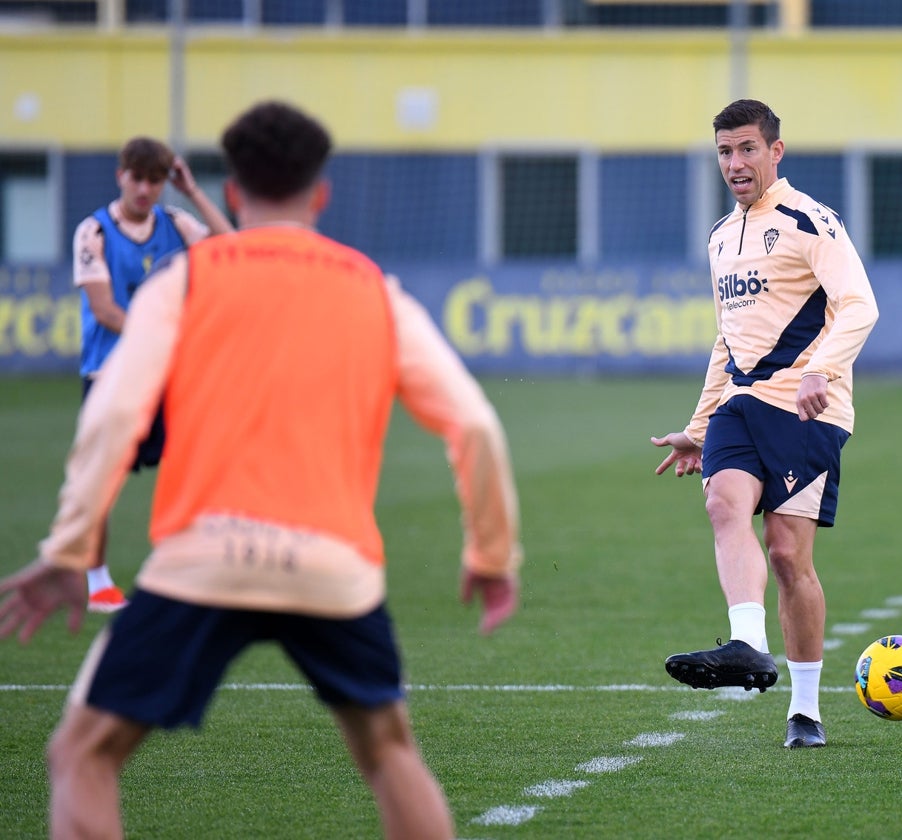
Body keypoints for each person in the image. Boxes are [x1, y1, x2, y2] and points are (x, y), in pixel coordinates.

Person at [0, 100, 522, 839]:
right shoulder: (374, 288)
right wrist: (491, 557)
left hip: (202, 559)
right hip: (331, 567)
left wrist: (69, 551)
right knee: (388, 752)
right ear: (321, 193)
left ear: (235, 192)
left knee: (83, 752)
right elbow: (473, 425)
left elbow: (112, 419)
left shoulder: (182, 284)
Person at [651, 99, 878, 749]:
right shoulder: (721, 237)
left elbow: (859, 307)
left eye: (747, 149)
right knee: (724, 504)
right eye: (725, 151)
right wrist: (697, 427)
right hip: (740, 406)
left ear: (776, 151)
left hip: (809, 409)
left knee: (787, 555)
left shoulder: (811, 221)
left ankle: (804, 710)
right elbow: (727, 342)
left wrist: (823, 370)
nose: (735, 163)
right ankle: (748, 645)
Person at [74, 135, 233, 612]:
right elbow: (104, 310)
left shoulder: (176, 222)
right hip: (112, 375)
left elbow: (235, 251)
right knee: (102, 479)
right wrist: (161, 340)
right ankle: (98, 581)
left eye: (156, 180)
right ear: (120, 175)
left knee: (195, 466)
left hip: (169, 376)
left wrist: (196, 192)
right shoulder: (95, 232)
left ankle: (182, 570)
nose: (145, 189)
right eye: (137, 178)